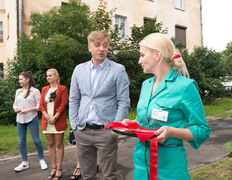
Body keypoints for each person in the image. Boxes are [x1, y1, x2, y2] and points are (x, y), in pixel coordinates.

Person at [122, 33, 211, 180]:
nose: (139, 61)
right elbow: (146, 119)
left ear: (157, 55)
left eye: (142, 55)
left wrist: (171, 132)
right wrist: (135, 123)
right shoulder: (146, 85)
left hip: (169, 171)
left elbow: (202, 130)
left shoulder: (185, 87)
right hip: (141, 168)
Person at [69, 30, 130, 180]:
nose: (101, 49)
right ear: (89, 47)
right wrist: (74, 125)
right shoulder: (79, 69)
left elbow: (124, 101)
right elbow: (73, 99)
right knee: (87, 175)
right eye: (97, 45)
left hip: (106, 131)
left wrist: (115, 128)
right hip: (82, 131)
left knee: (110, 175)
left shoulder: (118, 69)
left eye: (105, 45)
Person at [13, 71, 48, 172]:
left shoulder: (35, 91)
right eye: (19, 79)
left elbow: (39, 106)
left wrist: (29, 110)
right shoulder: (18, 91)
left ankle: (41, 160)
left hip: (32, 118)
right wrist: (15, 109)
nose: (19, 81)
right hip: (20, 119)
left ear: (27, 80)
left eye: (21, 79)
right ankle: (24, 163)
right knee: (21, 142)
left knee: (36, 140)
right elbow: (15, 104)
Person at [40, 68, 68, 180]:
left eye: (50, 75)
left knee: (59, 144)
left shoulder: (62, 89)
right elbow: (41, 104)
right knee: (50, 144)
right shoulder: (44, 89)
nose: (48, 77)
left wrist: (55, 117)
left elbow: (63, 103)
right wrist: (46, 116)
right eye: (47, 76)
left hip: (58, 121)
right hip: (47, 121)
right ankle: (53, 167)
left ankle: (59, 169)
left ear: (56, 77)